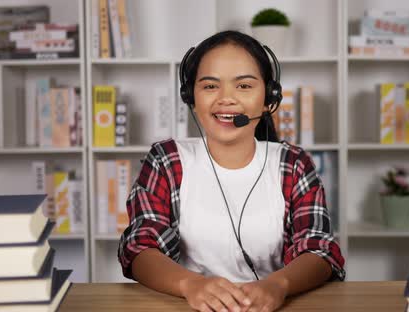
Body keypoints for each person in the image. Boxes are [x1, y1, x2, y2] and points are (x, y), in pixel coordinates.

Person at [118, 30, 345, 312]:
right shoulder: (167, 160)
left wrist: (279, 285)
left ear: (268, 98)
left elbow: (319, 249)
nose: (226, 99)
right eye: (210, 86)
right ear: (191, 96)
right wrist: (191, 285)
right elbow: (140, 246)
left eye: (244, 86)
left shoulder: (293, 163)